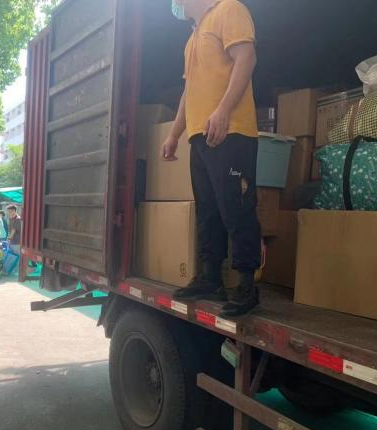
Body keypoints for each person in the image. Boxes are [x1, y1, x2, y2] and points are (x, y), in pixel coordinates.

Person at [164, 0, 261, 317]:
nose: (175, 4)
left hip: (231, 130)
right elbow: (189, 90)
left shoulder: (229, 9)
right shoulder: (192, 38)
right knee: (208, 210)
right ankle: (210, 278)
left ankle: (246, 284)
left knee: (237, 207)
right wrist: (174, 134)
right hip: (200, 135)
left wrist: (223, 110)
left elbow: (246, 57)